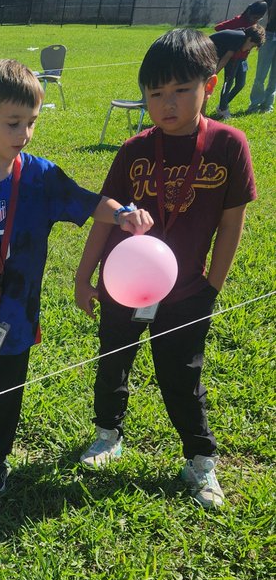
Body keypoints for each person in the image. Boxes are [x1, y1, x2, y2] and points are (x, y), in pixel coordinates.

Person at [0, 59, 152, 493]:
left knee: (6, 391)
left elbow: (87, 201)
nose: (23, 134)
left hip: (17, 312)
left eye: (31, 123)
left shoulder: (41, 177)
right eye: (13, 123)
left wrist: (121, 214)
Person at [74, 28, 256, 508]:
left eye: (181, 91)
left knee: (181, 374)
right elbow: (104, 216)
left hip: (186, 292)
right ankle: (107, 433)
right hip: (122, 287)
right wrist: (83, 275)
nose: (167, 104)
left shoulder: (228, 145)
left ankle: (200, 461)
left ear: (209, 86)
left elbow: (231, 223)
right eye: (156, 94)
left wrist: (211, 285)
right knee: (112, 362)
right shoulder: (134, 150)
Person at [209, 24, 264, 118]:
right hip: (231, 58)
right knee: (228, 83)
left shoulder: (246, 40)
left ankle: (222, 105)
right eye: (252, 46)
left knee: (240, 84)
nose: (250, 49)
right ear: (249, 38)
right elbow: (226, 57)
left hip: (240, 59)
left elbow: (245, 50)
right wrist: (214, 73)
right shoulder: (239, 37)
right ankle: (223, 109)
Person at [247, 0, 276, 113]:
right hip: (268, 37)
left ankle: (268, 105)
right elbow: (256, 13)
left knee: (274, 77)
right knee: (261, 74)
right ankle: (254, 104)